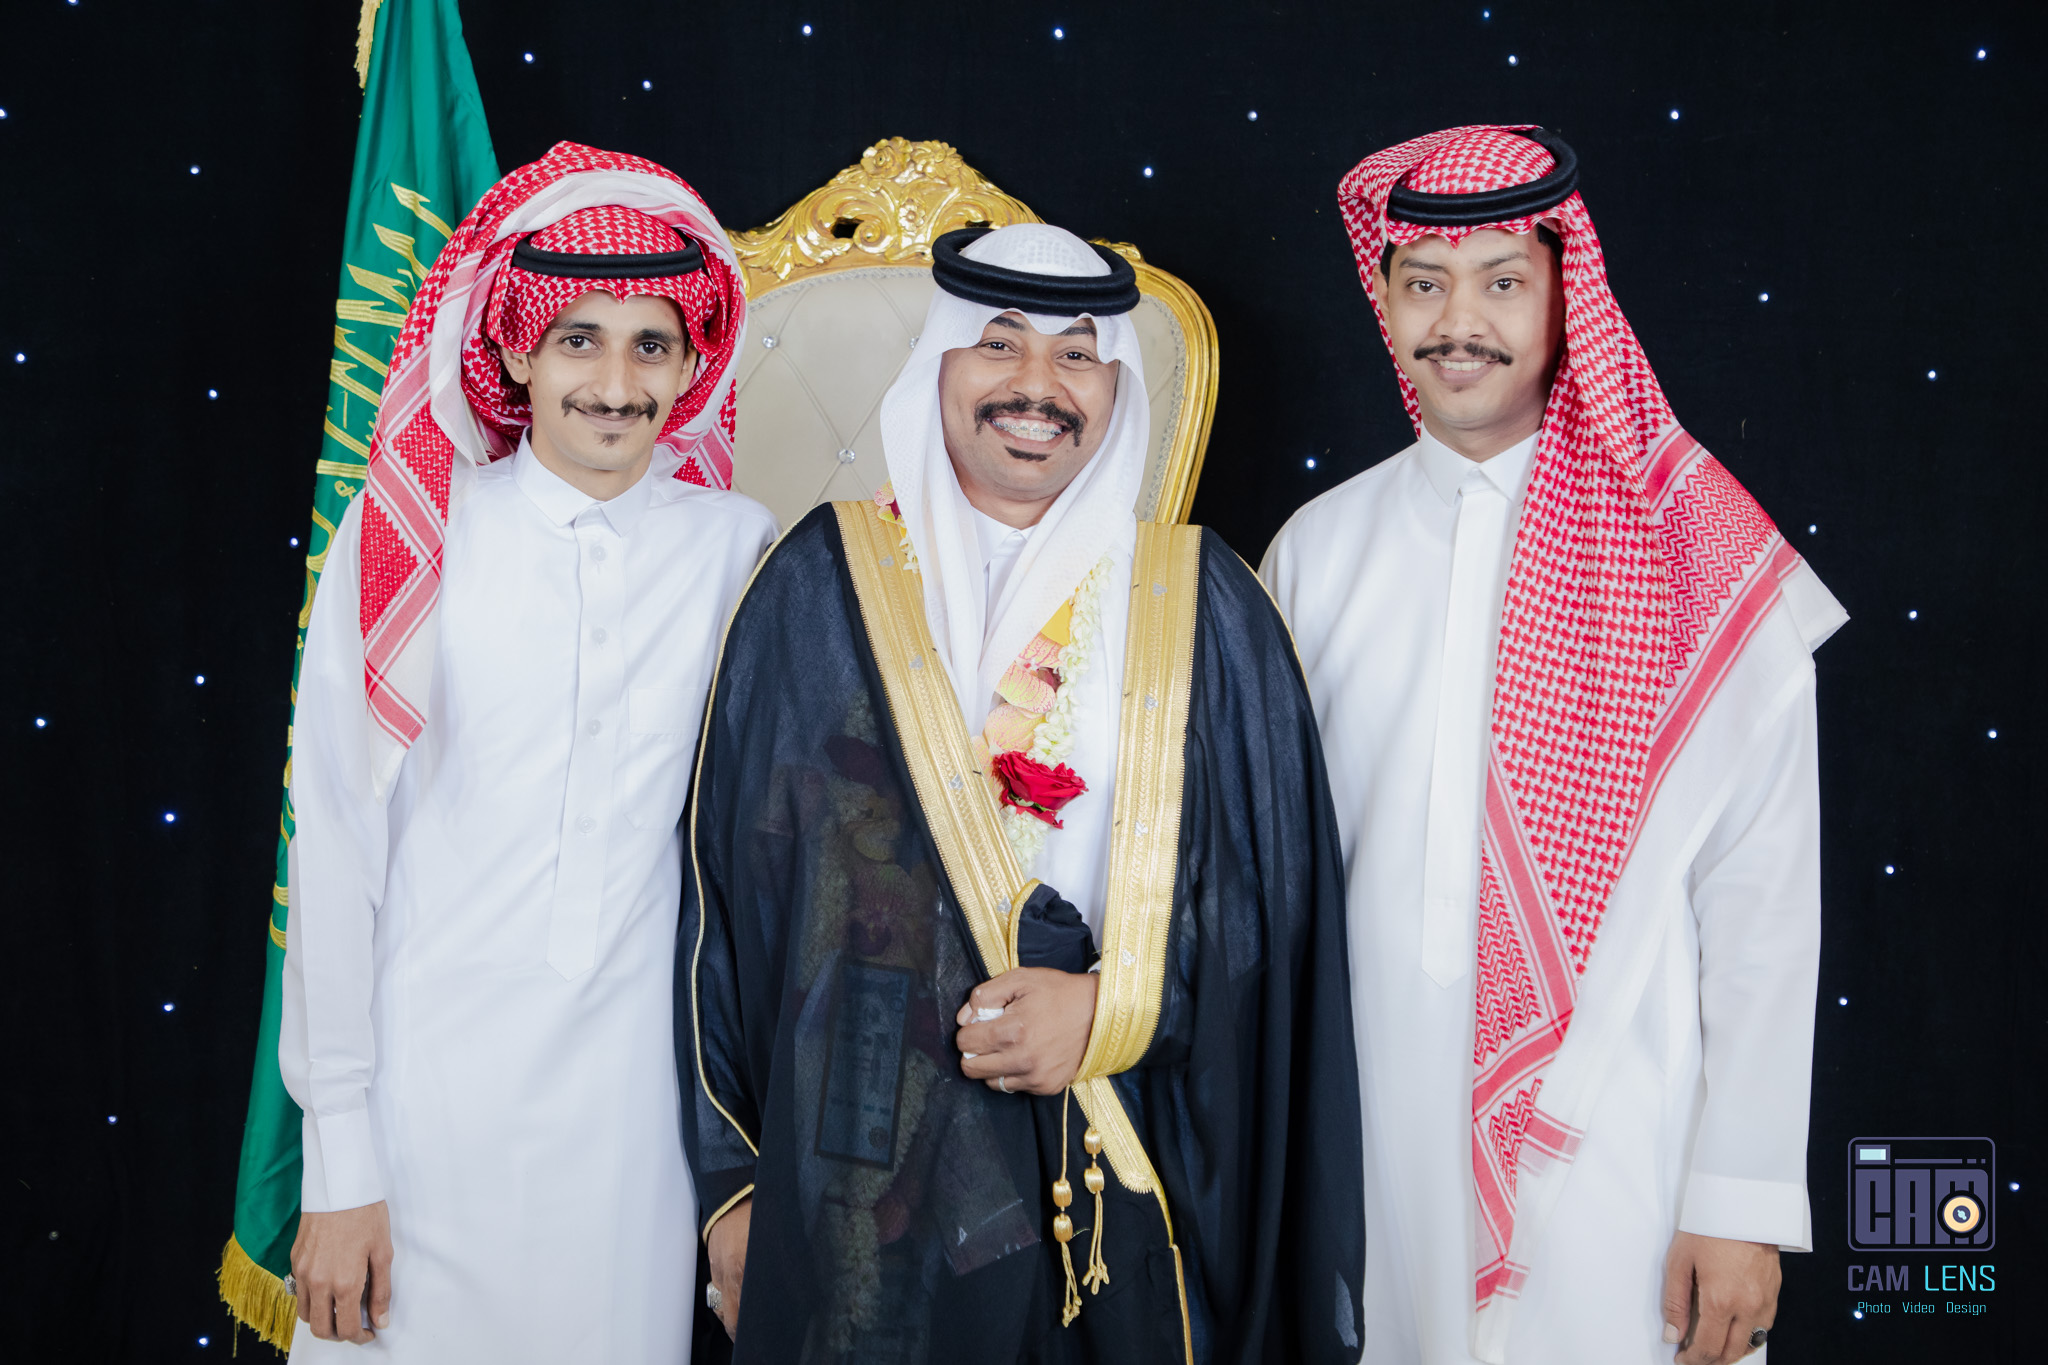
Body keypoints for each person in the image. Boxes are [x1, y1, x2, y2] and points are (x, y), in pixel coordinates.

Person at [682, 223, 1365, 1364]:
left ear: (1115, 388)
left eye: (1078, 354)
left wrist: (1117, 1008)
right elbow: (720, 905)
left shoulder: (1203, 607)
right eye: (999, 343)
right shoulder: (814, 583)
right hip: (855, 1193)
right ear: (940, 363)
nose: (1037, 385)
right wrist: (732, 1188)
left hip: (1112, 1168)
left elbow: (1276, 912)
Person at [1262, 125, 1846, 1365]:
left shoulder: (1692, 551)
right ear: (1382, 299)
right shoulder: (1316, 549)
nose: (1456, 322)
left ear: (1564, 296)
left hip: (1616, 1135)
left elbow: (1761, 902)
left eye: (1499, 282)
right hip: (1370, 1137)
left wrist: (1736, 1197)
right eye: (1423, 282)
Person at [279, 142, 774, 1362]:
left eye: (650, 346)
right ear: (511, 353)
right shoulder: (411, 537)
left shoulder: (738, 548)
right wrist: (339, 1159)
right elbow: (335, 844)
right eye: (577, 341)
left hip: (630, 1132)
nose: (614, 383)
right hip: (421, 1111)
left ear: (693, 366)